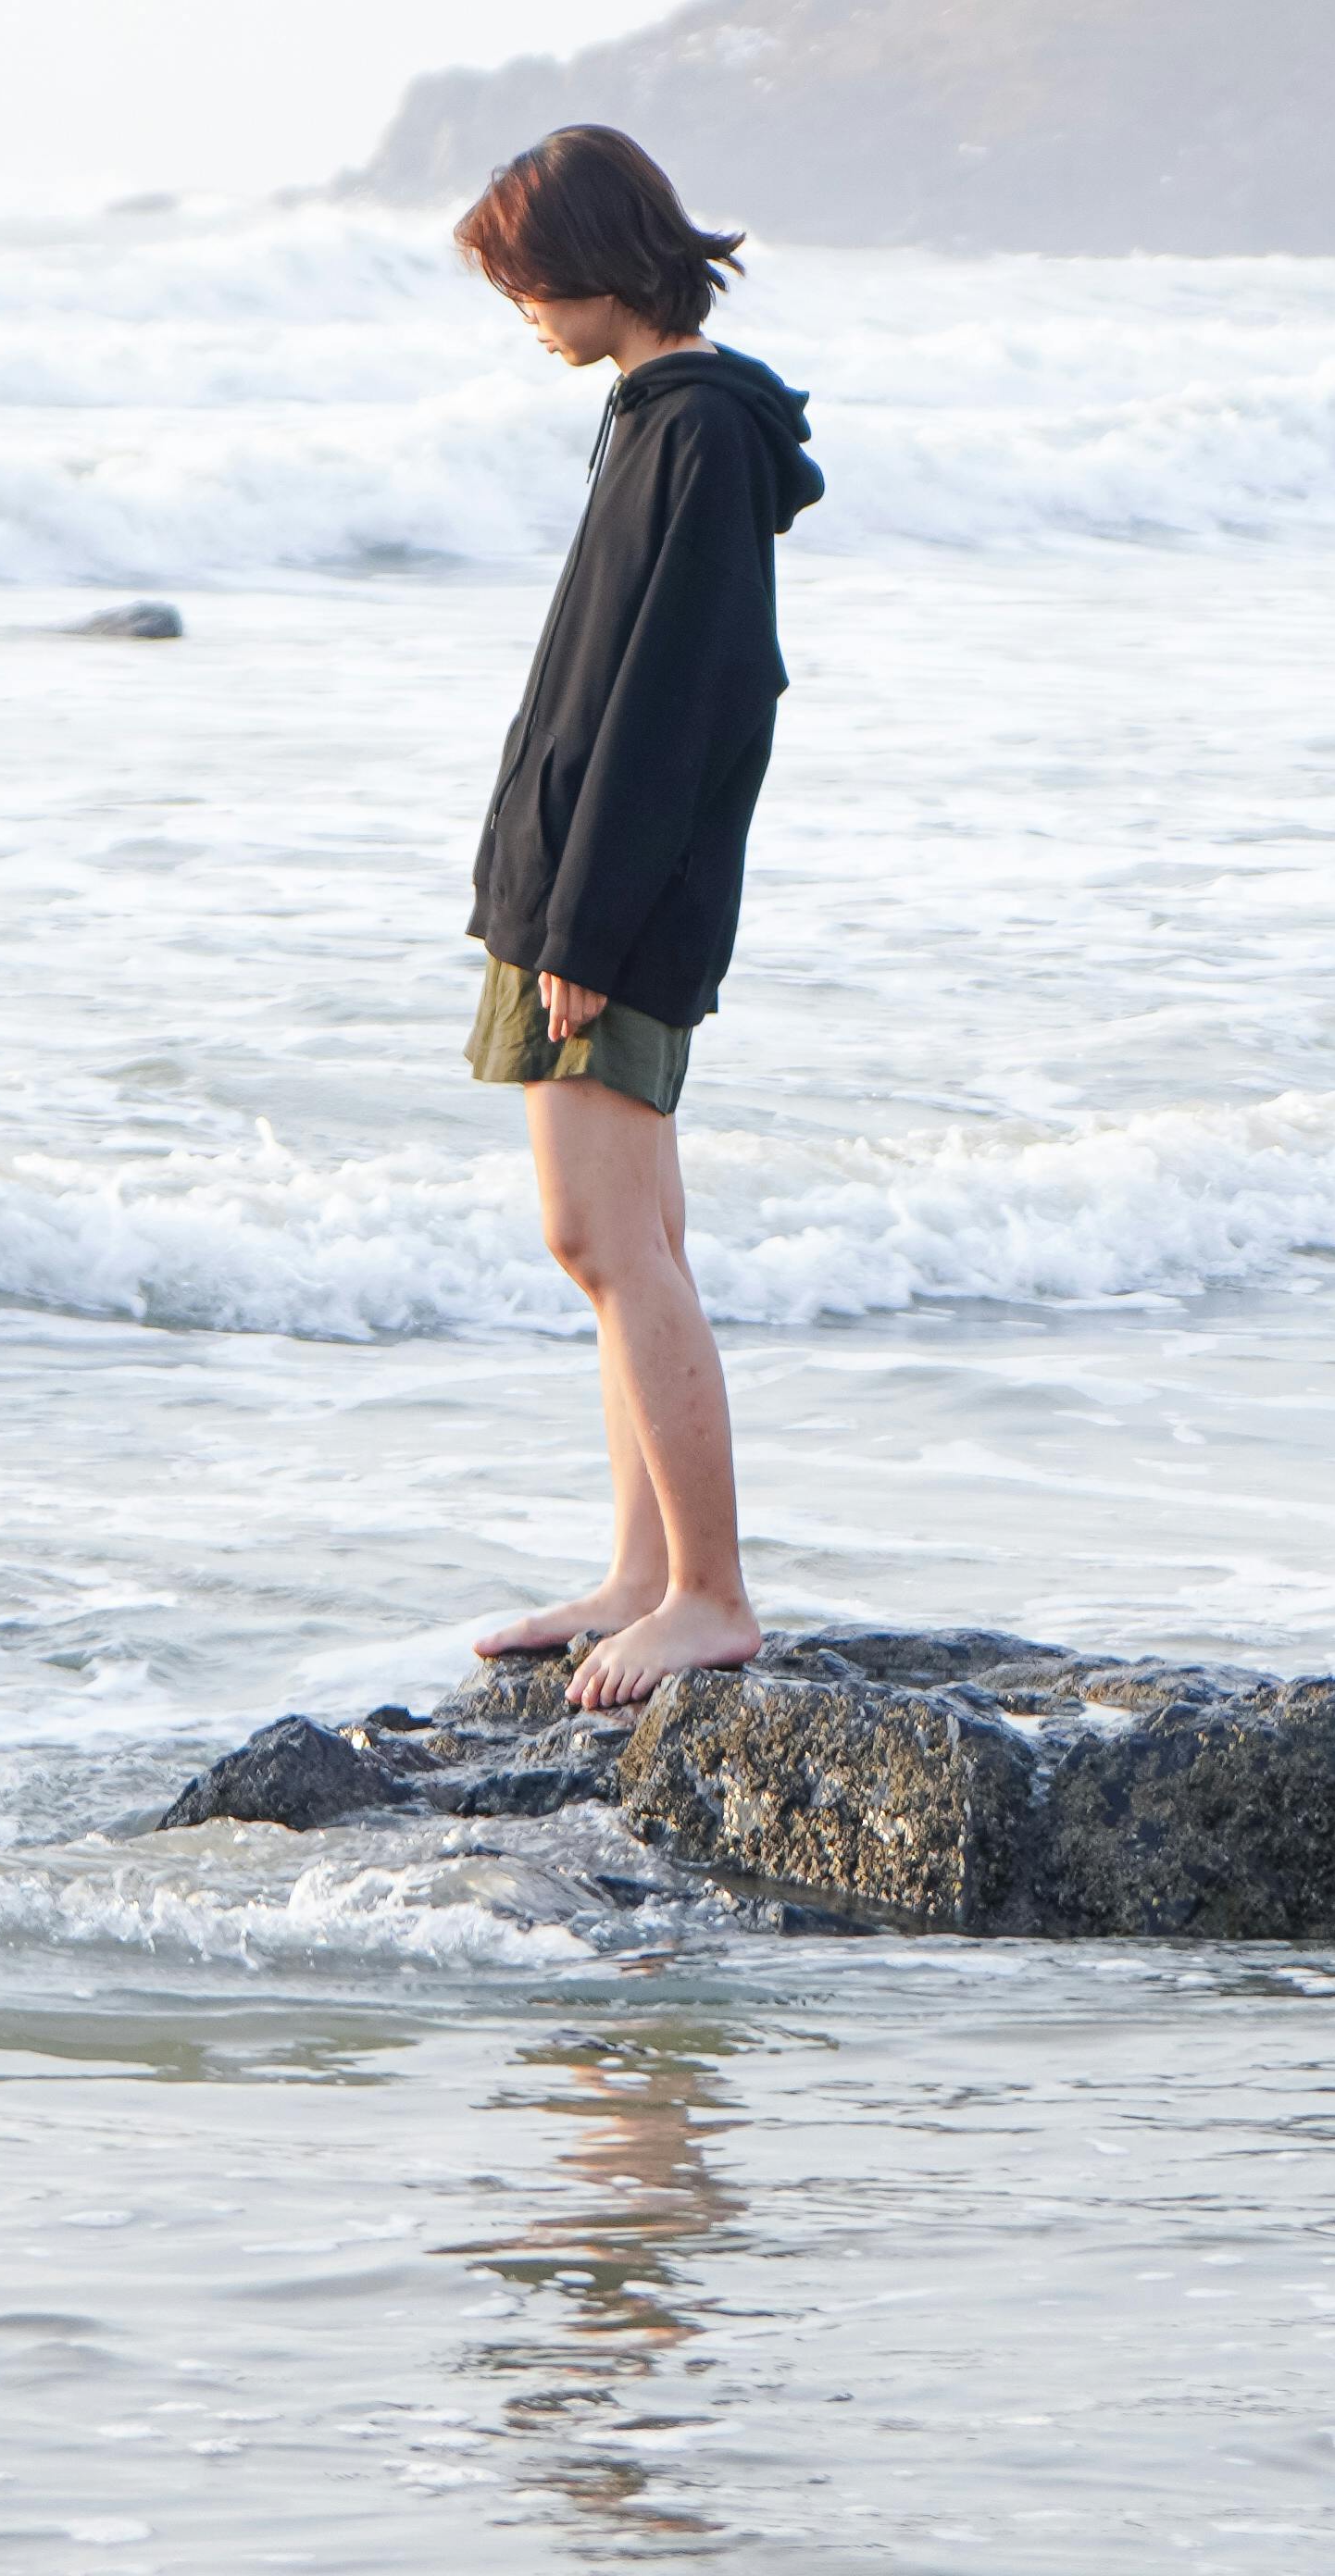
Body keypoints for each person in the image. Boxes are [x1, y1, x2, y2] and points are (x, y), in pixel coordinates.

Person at [454, 122, 822, 1707]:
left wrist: (586, 934)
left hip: (605, 911)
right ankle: (642, 1572)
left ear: (597, 263)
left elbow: (687, 704)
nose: (521, 312)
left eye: (529, 281)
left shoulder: (696, 435)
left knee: (606, 1240)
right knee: (623, 1238)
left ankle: (712, 1593)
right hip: (570, 898)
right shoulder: (656, 418)